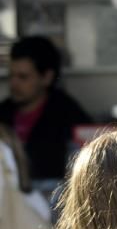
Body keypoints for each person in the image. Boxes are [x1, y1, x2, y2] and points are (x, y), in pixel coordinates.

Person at [0, 36, 91, 182]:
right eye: (11, 76)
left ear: (47, 77)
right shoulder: (4, 112)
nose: (13, 84)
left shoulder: (68, 116)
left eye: (23, 77)